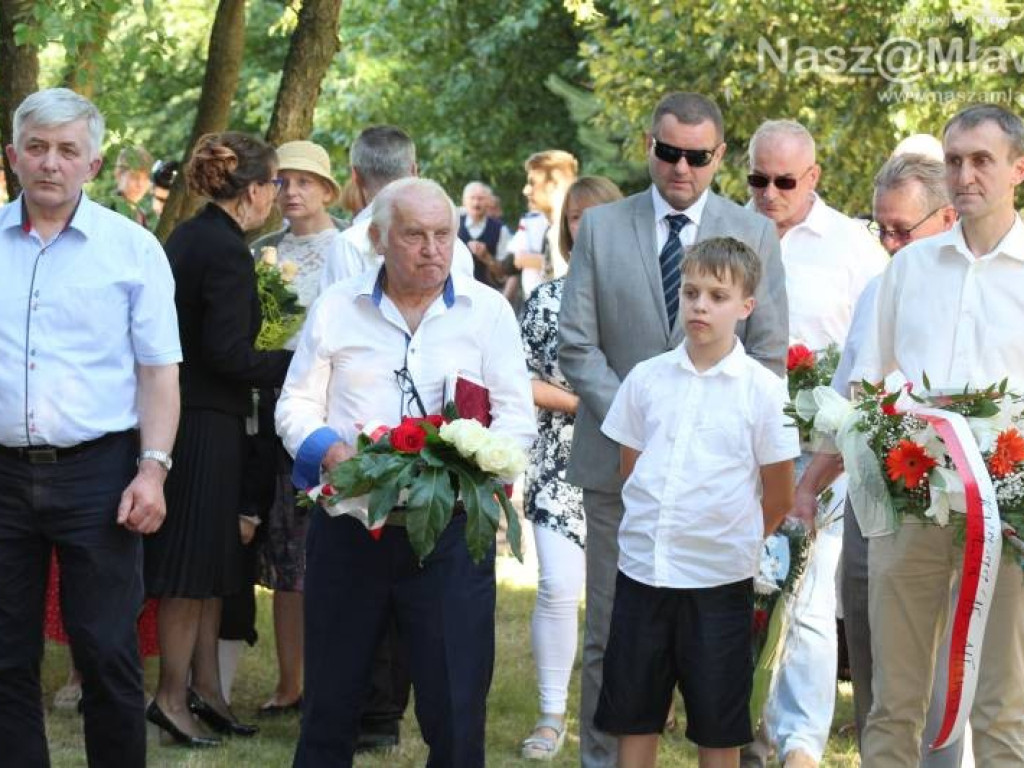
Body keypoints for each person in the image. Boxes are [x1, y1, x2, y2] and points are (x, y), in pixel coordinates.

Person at [558, 91, 789, 768]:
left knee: (722, 647)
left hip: (723, 489)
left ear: (719, 156)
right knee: (611, 633)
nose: (680, 167)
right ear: (648, 146)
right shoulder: (601, 228)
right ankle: (605, 760)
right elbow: (577, 346)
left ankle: (742, 754)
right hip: (620, 464)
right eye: (667, 151)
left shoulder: (755, 233)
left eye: (695, 155)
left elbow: (770, 350)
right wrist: (643, 414)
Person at [276, 177, 536, 768]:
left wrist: (481, 465)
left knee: (456, 709)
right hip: (350, 532)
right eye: (414, 235)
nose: (432, 249)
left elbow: (518, 417)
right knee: (330, 705)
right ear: (377, 240)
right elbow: (294, 404)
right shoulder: (338, 306)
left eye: (442, 234)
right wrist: (328, 450)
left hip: (449, 536)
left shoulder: (487, 311)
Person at [0, 87, 181, 768]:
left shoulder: (132, 252)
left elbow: (160, 372)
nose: (51, 163)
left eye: (67, 150)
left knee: (107, 650)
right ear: (13, 156)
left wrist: (153, 468)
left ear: (93, 164)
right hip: (3, 473)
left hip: (99, 474)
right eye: (38, 148)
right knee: (5, 655)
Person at [851, 104, 1024, 767]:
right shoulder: (909, 269)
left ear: (1017, 168)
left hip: (1007, 516)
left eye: (981, 159)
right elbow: (868, 387)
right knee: (894, 700)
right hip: (912, 505)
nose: (965, 174)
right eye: (954, 160)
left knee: (1003, 705)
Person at [598, 236, 799, 768]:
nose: (701, 306)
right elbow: (631, 471)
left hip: (718, 581)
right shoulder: (646, 379)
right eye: (690, 293)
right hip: (644, 574)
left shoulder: (761, 390)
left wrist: (727, 538)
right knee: (634, 714)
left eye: (716, 295)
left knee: (718, 723)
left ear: (745, 307)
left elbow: (778, 492)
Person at [795, 151, 964, 767]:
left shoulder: (982, 288)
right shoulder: (878, 288)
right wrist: (812, 481)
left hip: (955, 508)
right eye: (880, 228)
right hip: (874, 502)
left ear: (946, 217)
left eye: (901, 229)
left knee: (947, 682)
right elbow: (848, 396)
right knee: (874, 673)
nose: (889, 242)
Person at [744, 119, 887, 768]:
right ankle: (744, 722)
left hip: (820, 448)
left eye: (784, 181)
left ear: (814, 178)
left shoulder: (855, 249)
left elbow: (878, 346)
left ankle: (801, 739)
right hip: (737, 445)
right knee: (741, 587)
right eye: (756, 179)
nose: (769, 192)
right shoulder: (728, 231)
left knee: (807, 594)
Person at [143, 132, 293, 747]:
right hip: (203, 423)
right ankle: (171, 697)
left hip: (197, 417)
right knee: (188, 572)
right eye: (275, 186)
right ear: (254, 190)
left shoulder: (191, 234)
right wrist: (293, 364)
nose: (277, 198)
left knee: (210, 569)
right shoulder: (227, 252)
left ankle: (209, 691)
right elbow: (227, 355)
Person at [519, 176, 623, 761]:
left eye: (598, 215)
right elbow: (519, 377)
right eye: (577, 217)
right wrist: (587, 403)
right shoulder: (547, 299)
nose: (587, 226)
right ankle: (551, 714)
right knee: (559, 588)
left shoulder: (654, 295)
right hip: (559, 460)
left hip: (627, 463)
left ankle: (619, 712)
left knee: (620, 598)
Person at [247, 139, 347, 716]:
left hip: (330, 415)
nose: (292, 192)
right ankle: (290, 681)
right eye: (282, 181)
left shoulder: (349, 248)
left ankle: (334, 681)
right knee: (289, 561)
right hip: (274, 414)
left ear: (328, 190)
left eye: (304, 181)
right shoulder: (262, 252)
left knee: (331, 557)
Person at [319, 125, 474, 290]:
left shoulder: (349, 245)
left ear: (356, 176)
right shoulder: (455, 246)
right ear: (414, 170)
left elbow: (335, 313)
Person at [458, 181, 509, 289]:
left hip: (487, 292)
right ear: (464, 201)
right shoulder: (453, 224)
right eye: (472, 198)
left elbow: (502, 274)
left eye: (480, 198)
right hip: (456, 289)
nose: (476, 203)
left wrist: (486, 257)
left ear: (489, 202)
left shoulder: (500, 229)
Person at [111, 145, 154, 228]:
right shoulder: (108, 210)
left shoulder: (141, 215)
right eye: (135, 177)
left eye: (145, 178)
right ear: (119, 175)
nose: (140, 184)